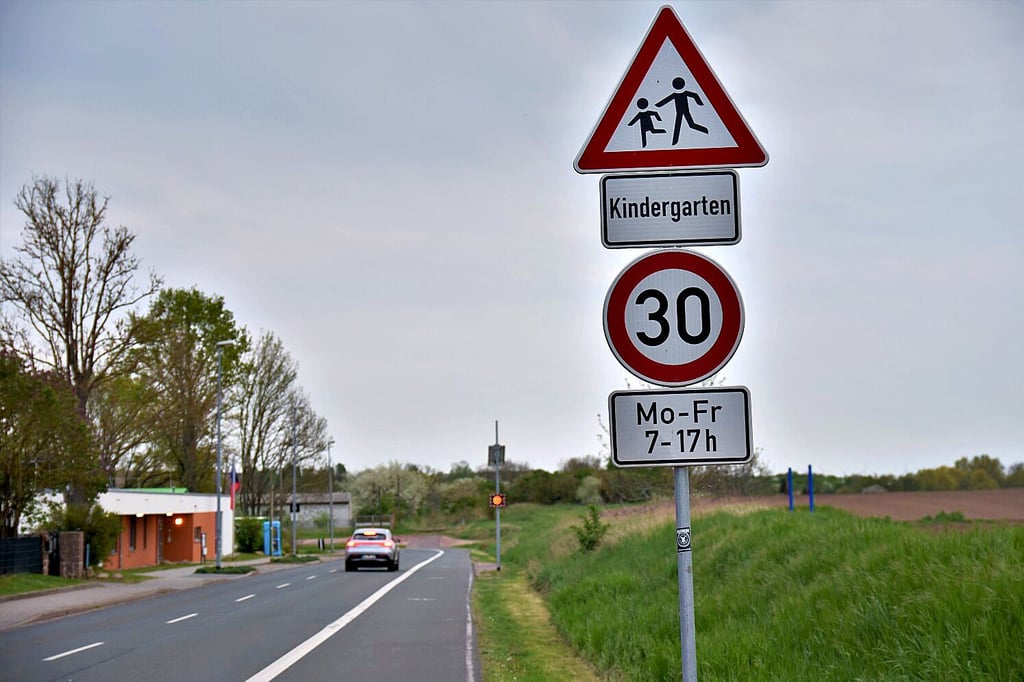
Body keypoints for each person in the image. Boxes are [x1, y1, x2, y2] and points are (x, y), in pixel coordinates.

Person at [655, 77, 709, 144]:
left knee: (690, 125)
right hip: (679, 113)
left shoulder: (683, 93)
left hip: (685, 111)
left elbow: (694, 95)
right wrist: (658, 105)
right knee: (681, 125)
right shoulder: (675, 95)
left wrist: (700, 103)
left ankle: (705, 130)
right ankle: (674, 142)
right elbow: (666, 100)